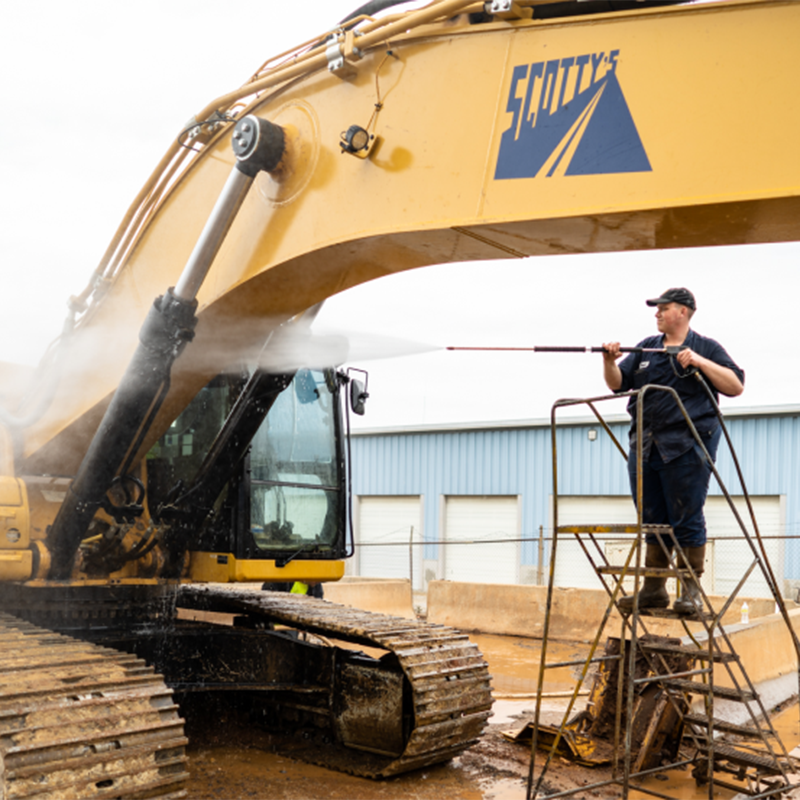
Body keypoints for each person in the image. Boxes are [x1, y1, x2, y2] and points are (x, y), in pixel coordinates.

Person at [602, 288, 744, 613]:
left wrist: (698, 361)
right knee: (652, 518)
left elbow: (735, 385)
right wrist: (609, 361)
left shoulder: (706, 347)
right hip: (646, 445)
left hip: (687, 446)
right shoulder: (646, 347)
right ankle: (653, 588)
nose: (657, 314)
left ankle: (690, 591)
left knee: (686, 516)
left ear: (683, 311)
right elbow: (616, 382)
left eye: (663, 309)